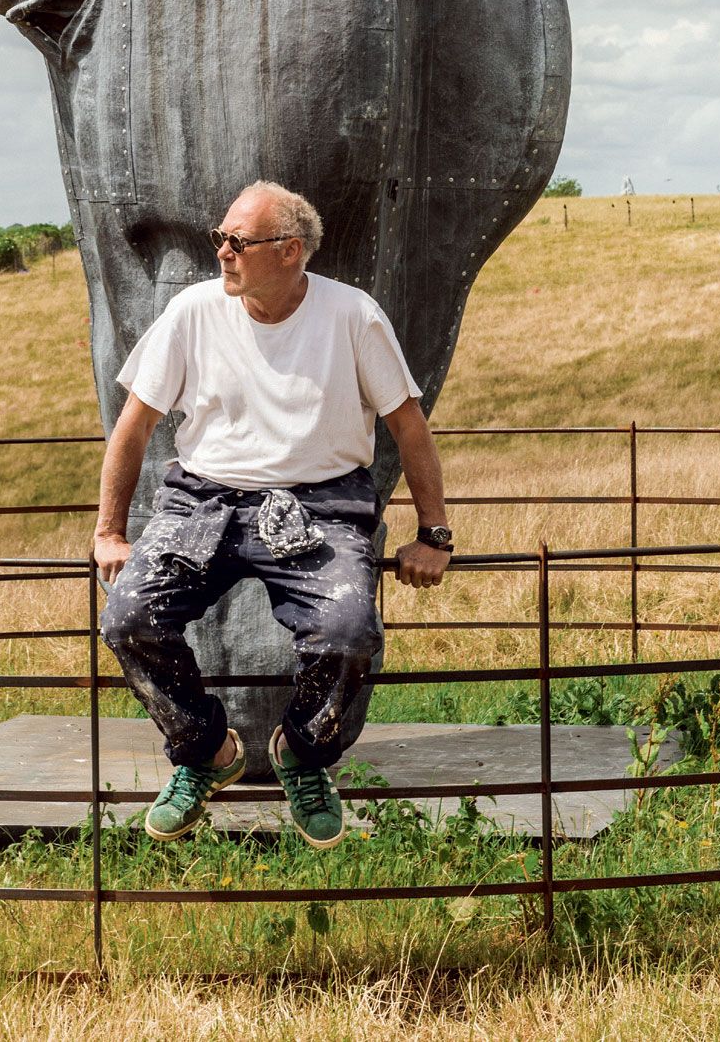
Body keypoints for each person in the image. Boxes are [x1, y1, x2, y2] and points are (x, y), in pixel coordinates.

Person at [95, 180, 453, 849]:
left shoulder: (351, 315)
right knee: (128, 618)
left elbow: (408, 425)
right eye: (220, 238)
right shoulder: (192, 311)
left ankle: (303, 754)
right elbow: (135, 425)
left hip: (318, 501)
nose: (222, 252)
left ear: (289, 251)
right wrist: (109, 532)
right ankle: (203, 751)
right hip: (201, 498)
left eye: (238, 241)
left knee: (347, 631)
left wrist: (432, 534)